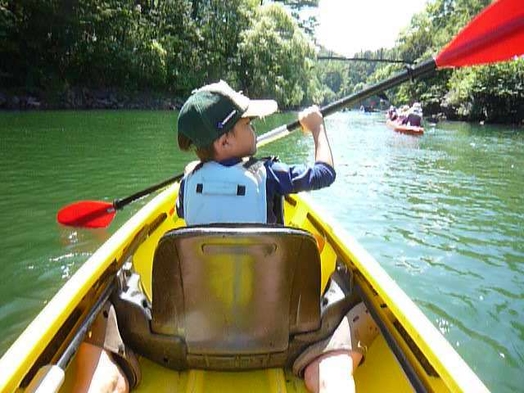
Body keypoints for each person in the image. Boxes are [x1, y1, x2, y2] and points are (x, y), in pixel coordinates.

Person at [175, 80, 379, 393]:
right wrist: (317, 129)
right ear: (225, 142)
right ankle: (321, 358)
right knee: (365, 300)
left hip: (204, 325)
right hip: (273, 326)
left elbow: (186, 210)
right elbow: (325, 173)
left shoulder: (188, 182)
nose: (255, 129)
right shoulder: (269, 175)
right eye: (247, 125)